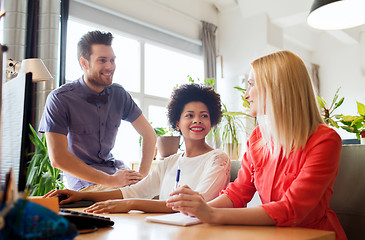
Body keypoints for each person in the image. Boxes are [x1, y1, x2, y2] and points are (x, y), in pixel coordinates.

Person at [166, 51, 347, 240]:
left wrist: (210, 214)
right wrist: (198, 209)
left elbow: (292, 209)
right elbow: (238, 193)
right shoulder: (258, 138)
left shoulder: (325, 140)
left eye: (251, 85)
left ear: (276, 88)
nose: (246, 95)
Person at [44, 83, 231, 213]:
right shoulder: (170, 162)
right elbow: (134, 191)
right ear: (177, 123)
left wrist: (130, 204)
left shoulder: (217, 159)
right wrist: (79, 195)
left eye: (204, 116)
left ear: (211, 121)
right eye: (189, 115)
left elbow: (197, 204)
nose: (197, 120)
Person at [38, 30, 157, 191]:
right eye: (102, 60)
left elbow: (149, 135)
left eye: (112, 60)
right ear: (84, 63)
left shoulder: (119, 94)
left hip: (115, 172)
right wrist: (111, 181)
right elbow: (58, 158)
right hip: (84, 180)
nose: (110, 66)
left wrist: (141, 177)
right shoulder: (60, 99)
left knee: (162, 194)